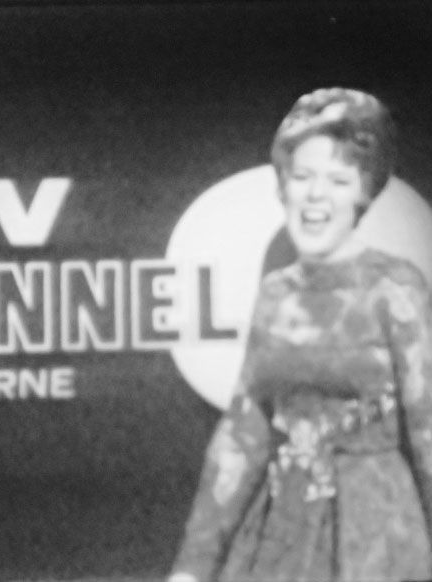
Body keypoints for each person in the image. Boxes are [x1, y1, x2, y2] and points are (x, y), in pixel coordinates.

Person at [168, 88, 432, 582]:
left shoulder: (395, 289)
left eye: (338, 180)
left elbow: (428, 430)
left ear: (363, 194)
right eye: (303, 176)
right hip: (285, 533)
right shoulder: (275, 295)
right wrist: (193, 568)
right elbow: (243, 435)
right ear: (283, 187)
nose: (316, 195)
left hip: (377, 539)